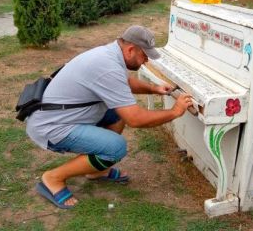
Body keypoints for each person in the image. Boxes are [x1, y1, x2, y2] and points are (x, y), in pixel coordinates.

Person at [26, 25, 195, 210]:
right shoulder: (107, 66)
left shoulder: (110, 54)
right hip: (52, 127)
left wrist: (154, 89)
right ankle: (53, 178)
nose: (146, 61)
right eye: (144, 56)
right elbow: (135, 119)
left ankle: (96, 171)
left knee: (116, 114)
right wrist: (174, 112)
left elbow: (125, 82)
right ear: (131, 49)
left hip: (64, 115)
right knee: (115, 148)